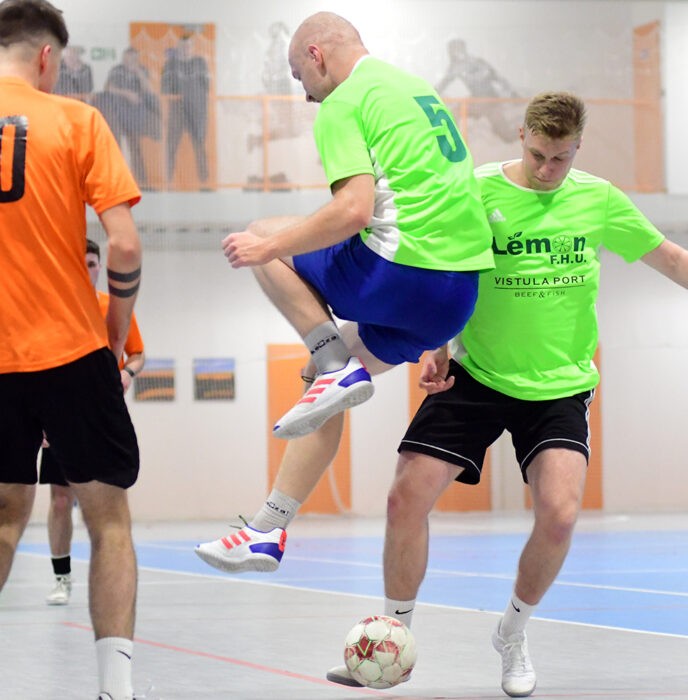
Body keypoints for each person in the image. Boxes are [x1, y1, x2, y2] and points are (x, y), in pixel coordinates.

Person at [324, 91, 688, 696]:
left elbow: (672, 260)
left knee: (560, 515)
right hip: (477, 374)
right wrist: (438, 343)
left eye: (562, 159)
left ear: (578, 149)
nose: (548, 170)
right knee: (404, 499)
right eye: (540, 155)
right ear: (522, 136)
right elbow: (445, 269)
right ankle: (395, 638)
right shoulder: (478, 191)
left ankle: (512, 633)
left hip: (560, 385)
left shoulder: (598, 200)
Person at [194, 12, 493, 572]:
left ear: (316, 55)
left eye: (298, 77)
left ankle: (334, 362)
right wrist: (442, 339)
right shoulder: (417, 90)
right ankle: (266, 529)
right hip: (455, 297)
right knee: (321, 387)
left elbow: (353, 211)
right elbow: (446, 200)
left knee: (263, 233)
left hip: (399, 272)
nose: (305, 95)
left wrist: (267, 247)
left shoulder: (344, 101)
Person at [0, 2, 144, 699]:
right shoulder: (77, 121)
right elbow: (124, 244)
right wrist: (116, 329)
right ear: (47, 57)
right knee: (107, 517)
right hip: (70, 347)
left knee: (4, 514)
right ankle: (115, 688)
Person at [40, 239, 145, 607]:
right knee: (59, 501)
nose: (86, 269)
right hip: (59, 415)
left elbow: (137, 353)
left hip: (101, 418)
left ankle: (112, 583)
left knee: (105, 504)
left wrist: (128, 373)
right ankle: (61, 578)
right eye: (80, 263)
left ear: (100, 267)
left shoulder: (111, 308)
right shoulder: (52, 308)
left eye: (91, 263)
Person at [95, 47, 160, 186]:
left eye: (133, 58)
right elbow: (108, 88)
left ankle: (142, 181)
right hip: (117, 114)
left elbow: (149, 90)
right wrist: (127, 94)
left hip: (133, 116)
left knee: (135, 146)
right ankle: (115, 180)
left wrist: (140, 75)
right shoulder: (117, 70)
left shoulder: (142, 70)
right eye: (128, 57)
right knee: (116, 146)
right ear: (124, 58)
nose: (130, 60)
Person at [434, 38, 519, 142]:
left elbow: (497, 77)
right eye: (452, 51)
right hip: (478, 100)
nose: (454, 54)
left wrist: (512, 93)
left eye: (456, 50)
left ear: (462, 50)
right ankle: (452, 139)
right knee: (455, 112)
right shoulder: (456, 66)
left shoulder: (476, 62)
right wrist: (432, 92)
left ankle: (526, 130)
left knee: (506, 135)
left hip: (489, 100)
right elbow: (444, 82)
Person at [162, 35, 210, 188]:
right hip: (177, 111)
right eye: (182, 46)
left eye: (188, 46)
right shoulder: (170, 64)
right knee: (171, 146)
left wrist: (194, 98)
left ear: (192, 47)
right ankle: (168, 182)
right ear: (178, 47)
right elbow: (164, 88)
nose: (185, 49)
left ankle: (205, 184)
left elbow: (206, 86)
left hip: (197, 111)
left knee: (199, 145)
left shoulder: (200, 62)